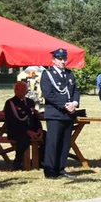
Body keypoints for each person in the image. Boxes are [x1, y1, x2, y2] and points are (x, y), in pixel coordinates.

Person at [40, 48, 80, 179]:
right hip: (55, 114)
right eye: (60, 59)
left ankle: (61, 168)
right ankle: (50, 170)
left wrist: (74, 102)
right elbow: (48, 94)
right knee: (53, 142)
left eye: (64, 58)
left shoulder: (69, 74)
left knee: (65, 142)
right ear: (54, 60)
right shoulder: (47, 74)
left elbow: (75, 90)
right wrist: (64, 105)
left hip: (68, 114)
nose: (63, 61)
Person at [2, 81, 42, 171]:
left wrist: (39, 128)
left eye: (26, 90)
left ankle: (40, 160)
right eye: (23, 90)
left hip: (31, 129)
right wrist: (26, 131)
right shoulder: (10, 103)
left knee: (47, 137)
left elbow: (34, 117)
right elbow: (12, 122)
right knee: (24, 139)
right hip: (16, 131)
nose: (26, 92)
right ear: (16, 91)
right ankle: (17, 162)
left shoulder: (30, 102)